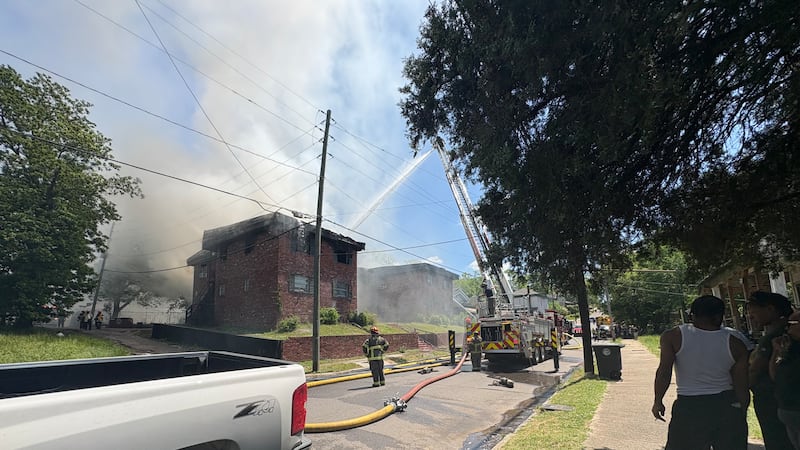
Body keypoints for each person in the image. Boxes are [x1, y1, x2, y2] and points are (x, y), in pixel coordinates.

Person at [652, 295, 750, 450]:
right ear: (719, 316)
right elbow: (741, 383)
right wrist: (741, 410)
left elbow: (664, 372)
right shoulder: (736, 344)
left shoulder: (673, 336)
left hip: (690, 405)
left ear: (693, 315)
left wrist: (658, 400)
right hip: (726, 404)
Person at [747, 291, 794, 449]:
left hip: (771, 398)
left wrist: (739, 389)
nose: (751, 317)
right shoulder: (788, 331)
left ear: (770, 309)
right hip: (787, 397)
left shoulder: (773, 337)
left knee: (777, 441)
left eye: (754, 312)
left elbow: (755, 370)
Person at [770, 309, 800, 449]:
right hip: (788, 408)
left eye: (791, 324)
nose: (787, 328)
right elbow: (775, 375)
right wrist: (777, 351)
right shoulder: (791, 348)